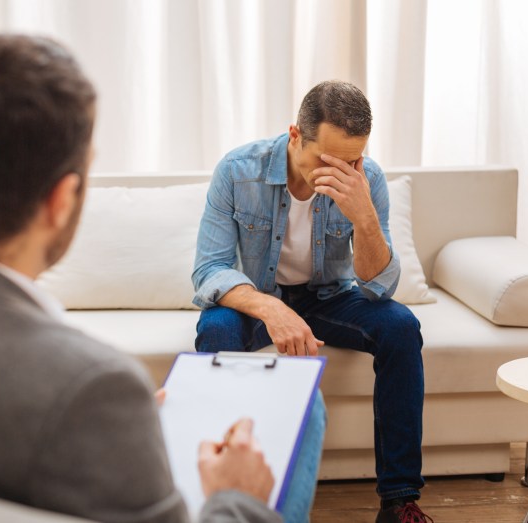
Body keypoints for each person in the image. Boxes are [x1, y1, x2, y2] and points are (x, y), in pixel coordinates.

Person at [0, 35, 321, 523]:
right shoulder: (94, 387)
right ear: (61, 200)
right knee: (307, 410)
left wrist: (113, 429)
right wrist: (237, 500)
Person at [192, 80, 432, 523]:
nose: (342, 172)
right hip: (259, 296)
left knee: (400, 326)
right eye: (329, 160)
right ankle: (214, 492)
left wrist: (364, 217)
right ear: (295, 135)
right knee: (216, 328)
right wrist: (271, 309)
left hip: (330, 298)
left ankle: (399, 501)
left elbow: (380, 286)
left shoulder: (368, 179)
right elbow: (210, 269)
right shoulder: (237, 171)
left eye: (353, 160)